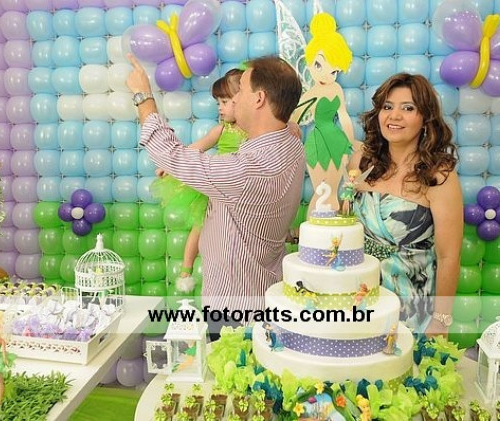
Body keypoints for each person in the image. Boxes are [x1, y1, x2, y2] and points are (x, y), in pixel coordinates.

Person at [127, 55, 305, 335]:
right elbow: (289, 128)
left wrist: (143, 97)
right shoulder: (291, 143)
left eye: (240, 90)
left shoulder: (251, 169)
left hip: (235, 311)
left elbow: (171, 154)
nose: (234, 99)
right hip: (262, 294)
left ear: (259, 99)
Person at [348, 73, 462, 337]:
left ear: (425, 119)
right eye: (387, 107)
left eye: (408, 108)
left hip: (410, 307)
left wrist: (441, 321)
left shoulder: (438, 174)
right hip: (358, 297)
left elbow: (449, 256)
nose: (394, 116)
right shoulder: (361, 162)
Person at [150, 69, 247, 293]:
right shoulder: (221, 130)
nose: (220, 108)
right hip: (216, 184)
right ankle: (186, 270)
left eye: (225, 102)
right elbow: (194, 149)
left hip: (240, 190)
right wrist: (170, 165)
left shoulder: (256, 131)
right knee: (200, 226)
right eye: (218, 103)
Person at [290, 12, 355, 212]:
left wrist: (351, 141)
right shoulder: (312, 92)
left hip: (336, 140)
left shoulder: (336, 89)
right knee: (320, 191)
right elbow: (295, 116)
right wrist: (291, 128)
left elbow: (344, 116)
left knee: (333, 190)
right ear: (309, 63)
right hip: (317, 142)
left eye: (333, 71)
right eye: (318, 65)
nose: (326, 75)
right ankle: (313, 229)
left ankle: (331, 227)